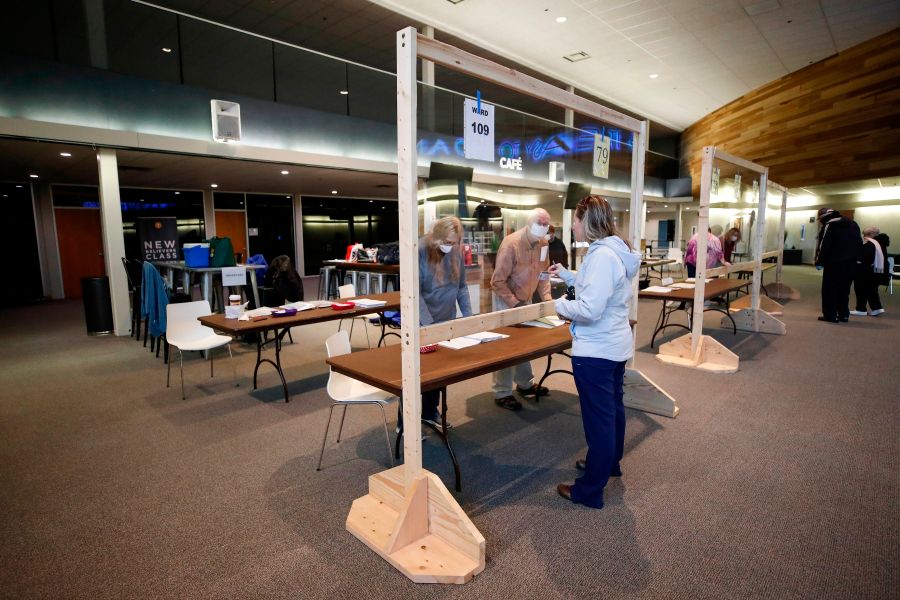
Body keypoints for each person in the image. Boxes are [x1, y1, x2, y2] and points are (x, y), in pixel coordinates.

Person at [548, 195, 641, 509]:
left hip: (597, 350)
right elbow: (598, 286)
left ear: (585, 221)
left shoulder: (601, 256)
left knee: (599, 420)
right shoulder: (613, 251)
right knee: (612, 410)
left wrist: (557, 306)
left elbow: (588, 308)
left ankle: (589, 490)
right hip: (613, 346)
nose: (572, 225)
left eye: (575, 219)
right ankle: (608, 464)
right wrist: (568, 275)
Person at [490, 207, 553, 411]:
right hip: (505, 298)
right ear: (529, 223)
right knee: (506, 346)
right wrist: (514, 303)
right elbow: (497, 281)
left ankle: (525, 384)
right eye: (540, 223)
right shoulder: (511, 244)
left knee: (525, 343)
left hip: (525, 298)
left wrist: (547, 300)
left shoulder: (543, 243)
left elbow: (543, 275)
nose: (543, 227)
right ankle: (502, 392)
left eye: (546, 224)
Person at [417, 216, 472, 428]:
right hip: (423, 321)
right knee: (417, 375)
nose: (452, 246)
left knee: (438, 373)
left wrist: (468, 318)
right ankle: (406, 423)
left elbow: (462, 286)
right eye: (448, 242)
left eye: (455, 242)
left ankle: (430, 412)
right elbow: (415, 294)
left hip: (445, 320)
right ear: (437, 237)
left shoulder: (456, 250)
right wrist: (429, 325)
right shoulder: (419, 250)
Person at [814, 208, 862, 323]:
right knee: (844, 290)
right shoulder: (853, 223)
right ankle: (843, 315)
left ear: (824, 216)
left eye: (820, 219)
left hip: (834, 263)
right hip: (851, 264)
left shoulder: (830, 225)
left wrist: (820, 261)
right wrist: (859, 259)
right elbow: (859, 242)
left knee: (830, 290)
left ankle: (830, 315)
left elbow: (824, 244)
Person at [850, 227, 885, 316]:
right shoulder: (878, 243)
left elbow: (865, 256)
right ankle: (877, 308)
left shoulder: (868, 243)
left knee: (860, 289)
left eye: (865, 234)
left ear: (870, 234)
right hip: (875, 270)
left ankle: (861, 309)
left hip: (864, 270)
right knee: (871, 290)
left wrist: (858, 261)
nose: (863, 235)